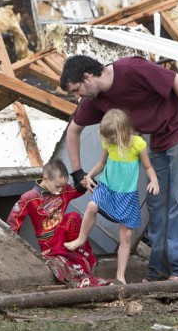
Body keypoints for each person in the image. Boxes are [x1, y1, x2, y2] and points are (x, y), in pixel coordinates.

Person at [60, 55, 178, 282]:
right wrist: (77, 172)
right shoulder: (94, 100)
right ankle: (158, 271)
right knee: (157, 202)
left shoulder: (131, 69)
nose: (76, 96)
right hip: (159, 138)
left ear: (87, 77)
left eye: (76, 89)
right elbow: (73, 130)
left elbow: (177, 81)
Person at [64, 109, 159, 285]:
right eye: (107, 137)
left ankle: (120, 275)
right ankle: (81, 238)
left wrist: (153, 180)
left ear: (123, 131)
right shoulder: (109, 144)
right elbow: (102, 163)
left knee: (126, 235)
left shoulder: (138, 144)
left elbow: (148, 167)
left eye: (113, 137)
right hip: (107, 188)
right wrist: (89, 176)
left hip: (127, 195)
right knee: (92, 206)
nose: (110, 140)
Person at [6, 159, 111, 288]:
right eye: (57, 186)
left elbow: (76, 190)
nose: (60, 190)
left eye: (63, 186)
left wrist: (83, 183)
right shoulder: (29, 198)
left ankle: (77, 255)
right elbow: (13, 222)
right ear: (45, 178)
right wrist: (12, 247)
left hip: (67, 238)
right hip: (48, 241)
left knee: (73, 217)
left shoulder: (64, 190)